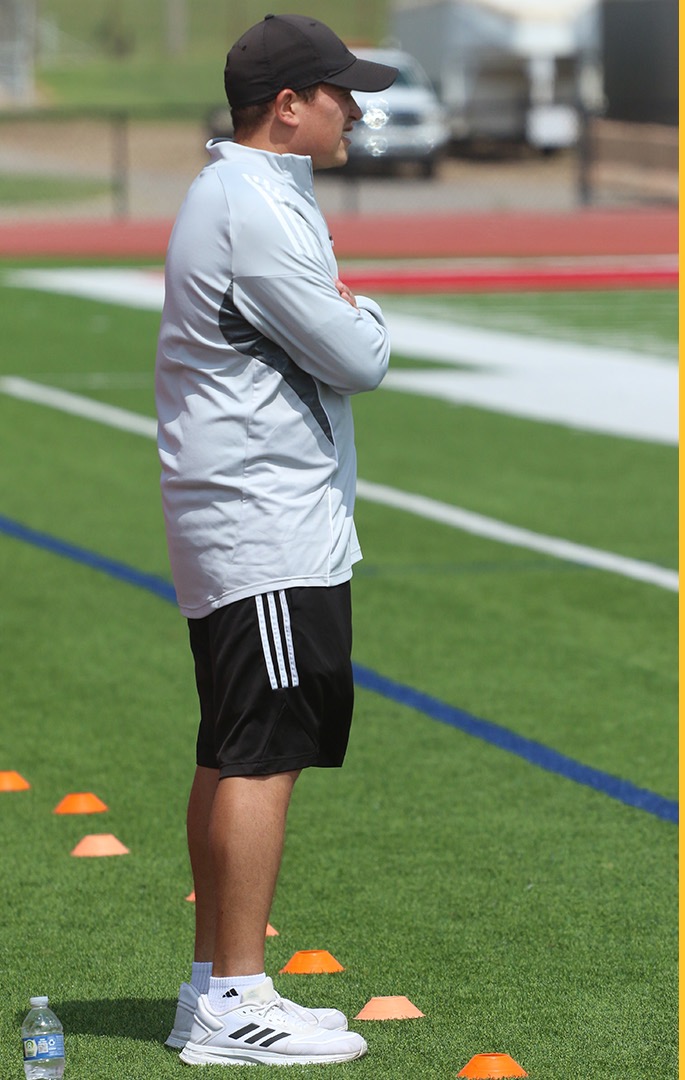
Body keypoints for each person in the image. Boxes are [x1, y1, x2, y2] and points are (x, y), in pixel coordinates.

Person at [155, 13, 397, 1066]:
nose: (357, 107)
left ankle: (216, 982)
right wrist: (371, 317)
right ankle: (236, 1001)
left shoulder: (249, 194)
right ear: (286, 105)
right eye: (339, 92)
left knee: (232, 747)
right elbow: (355, 353)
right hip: (263, 517)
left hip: (247, 511)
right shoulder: (252, 205)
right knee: (263, 753)